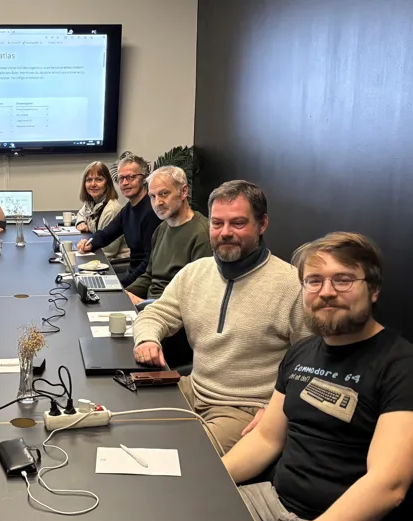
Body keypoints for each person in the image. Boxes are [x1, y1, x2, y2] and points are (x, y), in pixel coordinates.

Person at [223, 232, 413, 521]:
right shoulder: (301, 354)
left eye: (343, 279)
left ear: (373, 289)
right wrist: (210, 482)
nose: (326, 292)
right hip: (273, 502)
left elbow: (386, 487)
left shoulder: (408, 371)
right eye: (314, 281)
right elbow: (266, 439)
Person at [133, 180, 310, 452]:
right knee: (124, 423)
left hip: (243, 409)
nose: (225, 232)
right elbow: (156, 313)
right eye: (217, 223)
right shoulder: (195, 273)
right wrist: (147, 339)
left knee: (184, 457)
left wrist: (280, 411)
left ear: (262, 224)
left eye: (237, 223)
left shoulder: (291, 285)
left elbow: (313, 363)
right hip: (193, 389)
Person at [125, 166, 211, 304]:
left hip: (169, 312)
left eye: (164, 194)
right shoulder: (161, 229)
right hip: (150, 306)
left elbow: (196, 297)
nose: (157, 203)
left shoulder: (202, 234)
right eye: (152, 196)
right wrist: (124, 294)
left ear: (184, 191)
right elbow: (149, 275)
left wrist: (141, 303)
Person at [76, 154, 160, 285]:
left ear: (144, 179)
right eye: (121, 178)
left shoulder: (151, 211)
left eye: (131, 177)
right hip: (132, 274)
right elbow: (107, 233)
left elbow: (149, 262)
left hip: (143, 280)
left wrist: (123, 286)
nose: (125, 183)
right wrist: (90, 243)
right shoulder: (129, 208)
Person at [74, 160, 129, 261]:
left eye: (99, 180)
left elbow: (109, 251)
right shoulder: (93, 202)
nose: (93, 184)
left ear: (107, 183)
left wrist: (83, 251)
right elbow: (81, 213)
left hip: (115, 262)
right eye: (89, 180)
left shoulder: (111, 210)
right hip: (99, 254)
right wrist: (81, 222)